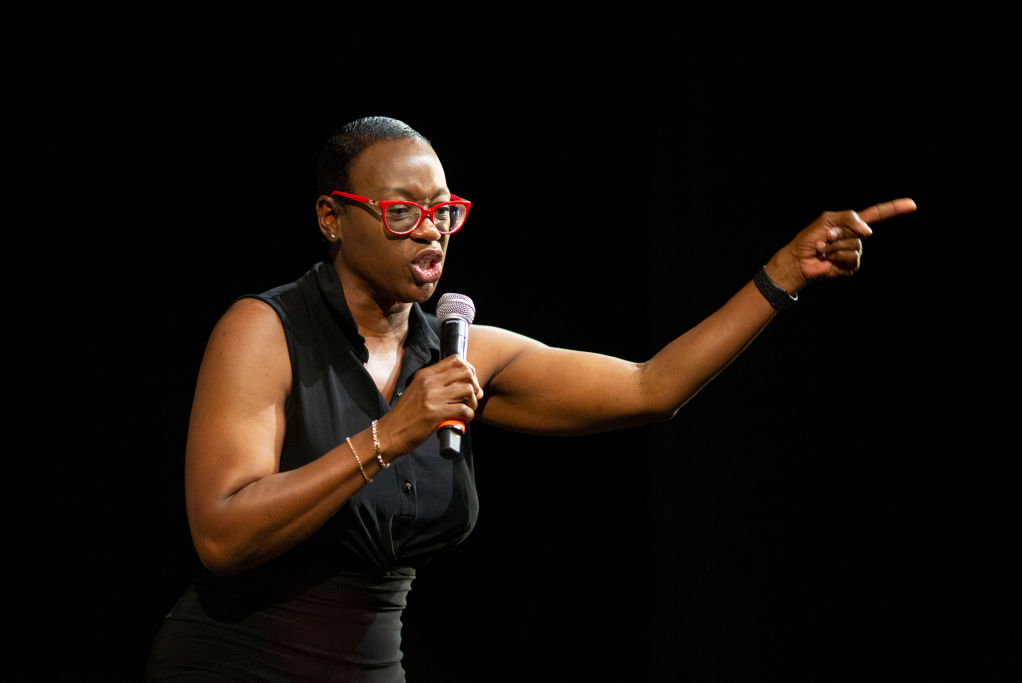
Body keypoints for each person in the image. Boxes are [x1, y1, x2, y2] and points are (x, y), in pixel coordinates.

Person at [144, 115, 916, 681]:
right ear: (332, 218)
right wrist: (389, 432)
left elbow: (652, 388)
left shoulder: (456, 351)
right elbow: (222, 535)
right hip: (227, 665)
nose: (432, 233)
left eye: (445, 212)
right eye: (404, 212)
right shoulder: (263, 331)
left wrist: (782, 274)